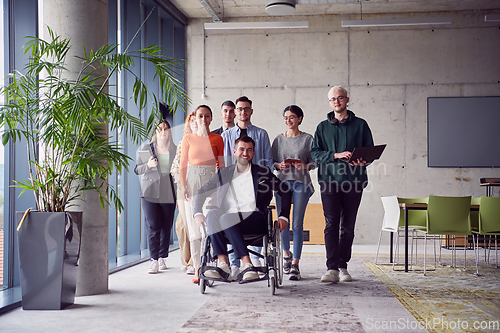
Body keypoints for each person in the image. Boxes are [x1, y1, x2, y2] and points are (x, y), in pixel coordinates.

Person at [194, 136, 292, 282]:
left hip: (254, 220)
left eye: (249, 150)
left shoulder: (263, 172)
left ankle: (247, 265)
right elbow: (202, 191)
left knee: (225, 217)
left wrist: (284, 216)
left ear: (253, 153)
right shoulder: (224, 173)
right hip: (227, 219)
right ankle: (223, 264)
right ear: (234, 151)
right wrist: (197, 213)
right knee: (213, 213)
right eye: (241, 149)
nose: (245, 153)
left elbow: (285, 190)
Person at [311, 86, 374, 283]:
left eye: (340, 98)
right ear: (329, 103)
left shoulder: (361, 125)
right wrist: (335, 155)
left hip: (354, 182)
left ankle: (343, 266)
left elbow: (370, 152)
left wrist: (363, 160)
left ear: (347, 100)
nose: (336, 102)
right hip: (329, 182)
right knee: (331, 225)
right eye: (333, 99)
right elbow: (315, 153)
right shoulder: (322, 127)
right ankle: (331, 268)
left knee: (348, 227)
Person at [221, 96, 273, 278]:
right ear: (235, 111)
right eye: (240, 109)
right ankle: (235, 263)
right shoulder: (226, 136)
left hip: (257, 186)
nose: (243, 112)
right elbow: (225, 162)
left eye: (246, 109)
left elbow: (268, 162)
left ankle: (255, 256)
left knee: (256, 212)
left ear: (251, 111)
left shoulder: (261, 134)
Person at [180, 105, 225, 283]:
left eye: (207, 116)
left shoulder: (218, 139)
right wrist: (183, 185)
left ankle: (211, 265)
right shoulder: (188, 139)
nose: (204, 119)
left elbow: (220, 164)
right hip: (192, 181)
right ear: (195, 118)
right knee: (194, 228)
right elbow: (184, 163)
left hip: (211, 180)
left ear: (211, 119)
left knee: (209, 224)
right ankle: (198, 268)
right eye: (200, 116)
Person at [272, 105, 315, 281]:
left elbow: (316, 161)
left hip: (301, 183)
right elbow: (271, 161)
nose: (288, 120)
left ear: (300, 118)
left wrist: (304, 166)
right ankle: (286, 254)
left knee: (297, 224)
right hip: (282, 183)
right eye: (286, 117)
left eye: (292, 117)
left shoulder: (307, 139)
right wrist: (278, 166)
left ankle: (295, 264)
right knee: (283, 222)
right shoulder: (278, 139)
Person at [134, 108, 177, 274]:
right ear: (155, 132)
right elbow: (137, 169)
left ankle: (161, 257)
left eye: (166, 129)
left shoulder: (174, 149)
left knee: (166, 225)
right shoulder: (147, 148)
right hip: (150, 192)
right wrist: (149, 165)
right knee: (153, 225)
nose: (163, 132)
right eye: (160, 129)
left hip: (168, 192)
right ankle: (153, 260)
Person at [170, 111, 197, 275]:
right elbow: (175, 167)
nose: (195, 123)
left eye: (197, 120)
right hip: (184, 187)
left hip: (200, 187)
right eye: (192, 120)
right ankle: (185, 259)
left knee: (196, 226)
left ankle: (195, 260)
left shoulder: (207, 141)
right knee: (182, 226)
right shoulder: (182, 143)